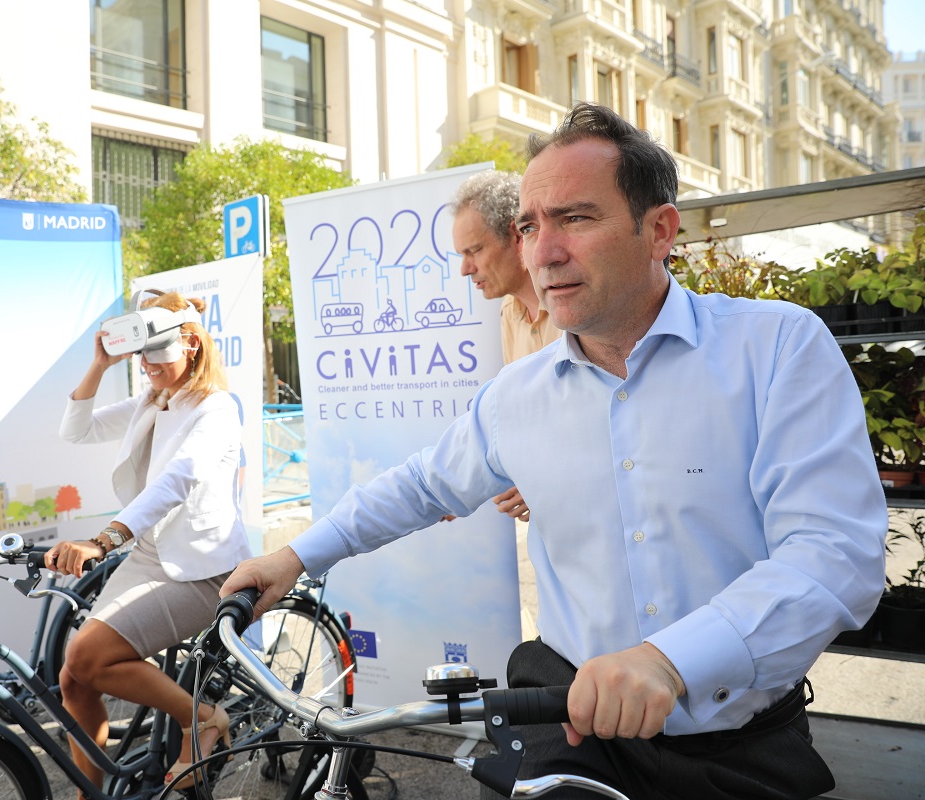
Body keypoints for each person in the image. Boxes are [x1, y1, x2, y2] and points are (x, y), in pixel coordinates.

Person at [223, 103, 887, 800]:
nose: (543, 252)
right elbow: (420, 485)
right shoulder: (517, 395)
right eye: (530, 227)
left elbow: (833, 550)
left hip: (741, 746)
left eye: (576, 218)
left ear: (659, 229)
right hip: (570, 727)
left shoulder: (777, 347)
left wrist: (671, 662)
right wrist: (292, 557)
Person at [46, 290, 252, 793]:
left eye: (158, 352)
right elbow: (77, 430)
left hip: (203, 568)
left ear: (193, 347)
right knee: (74, 676)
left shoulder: (217, 409)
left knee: (91, 658)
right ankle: (89, 793)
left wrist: (106, 537)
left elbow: (175, 481)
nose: (147, 365)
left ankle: (203, 719)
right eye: (142, 353)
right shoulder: (151, 401)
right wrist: (98, 364)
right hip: (151, 554)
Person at [450, 170, 563, 525]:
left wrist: (545, 481)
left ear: (516, 236)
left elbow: (608, 424)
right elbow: (521, 416)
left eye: (475, 250)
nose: (465, 269)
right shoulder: (509, 312)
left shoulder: (576, 307)